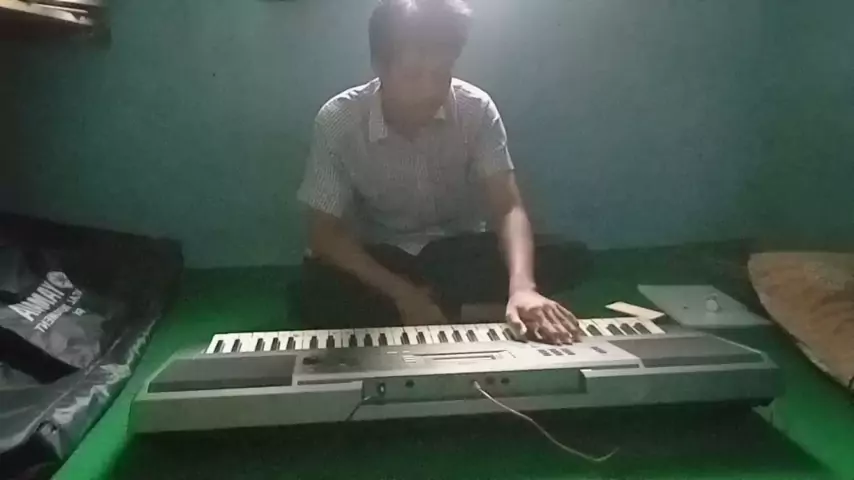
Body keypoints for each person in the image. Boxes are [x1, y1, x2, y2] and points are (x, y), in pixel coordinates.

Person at [295, 0, 588, 344]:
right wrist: (403, 294)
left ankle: (444, 311)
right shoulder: (339, 120)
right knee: (310, 291)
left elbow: (507, 206)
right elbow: (324, 234)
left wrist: (523, 287)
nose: (429, 91)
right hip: (386, 256)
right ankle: (466, 312)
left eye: (441, 74)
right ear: (379, 66)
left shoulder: (475, 109)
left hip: (456, 252)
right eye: (412, 75)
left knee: (570, 257)